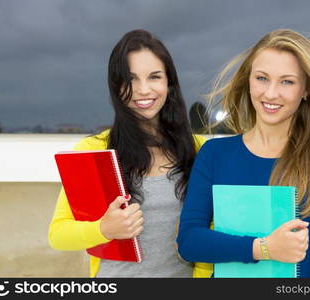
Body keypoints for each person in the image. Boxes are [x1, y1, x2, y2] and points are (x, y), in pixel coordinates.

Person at [177, 29, 310, 278]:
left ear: (306, 89)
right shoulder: (215, 154)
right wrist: (264, 248)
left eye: (287, 81)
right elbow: (189, 242)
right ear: (248, 80)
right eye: (262, 78)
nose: (271, 93)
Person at [48, 29, 206, 278]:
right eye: (130, 79)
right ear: (116, 85)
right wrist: (104, 228)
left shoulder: (199, 149)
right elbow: (58, 235)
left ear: (169, 83)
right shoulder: (95, 150)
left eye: (154, 77)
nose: (143, 90)